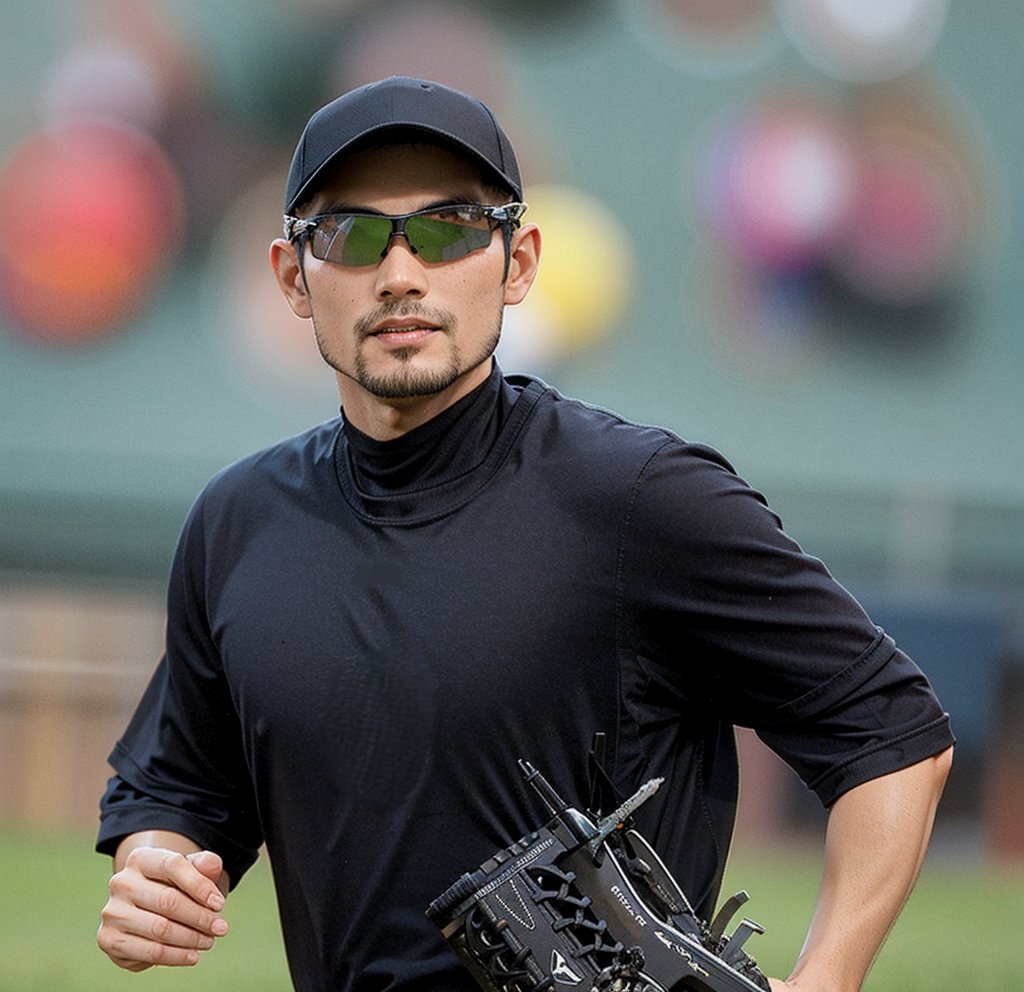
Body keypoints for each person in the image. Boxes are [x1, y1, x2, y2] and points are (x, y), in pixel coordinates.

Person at [96, 75, 954, 992]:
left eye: (449, 229)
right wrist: (156, 864)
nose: (400, 273)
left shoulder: (638, 500)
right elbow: (181, 788)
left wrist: (828, 978)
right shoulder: (239, 522)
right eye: (349, 235)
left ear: (520, 262)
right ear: (290, 277)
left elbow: (893, 732)